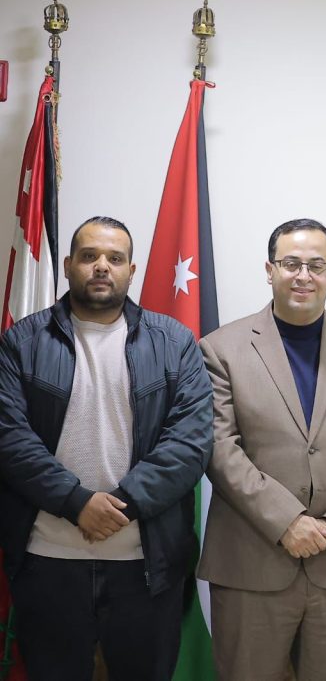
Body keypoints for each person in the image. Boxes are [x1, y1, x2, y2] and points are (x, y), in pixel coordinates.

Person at [0, 216, 212, 680]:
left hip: (146, 567)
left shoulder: (175, 343)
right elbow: (9, 439)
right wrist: (77, 502)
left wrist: (122, 505)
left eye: (114, 258)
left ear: (131, 271)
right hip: (47, 563)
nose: (101, 266)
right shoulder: (21, 342)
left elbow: (190, 443)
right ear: (68, 266)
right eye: (89, 256)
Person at [198, 219, 326, 681]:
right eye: (291, 264)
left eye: (316, 265)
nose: (303, 276)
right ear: (269, 270)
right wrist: (286, 521)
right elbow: (219, 447)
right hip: (251, 563)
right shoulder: (220, 349)